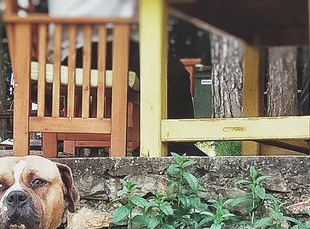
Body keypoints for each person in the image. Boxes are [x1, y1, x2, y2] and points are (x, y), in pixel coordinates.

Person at [46, 0, 200, 154]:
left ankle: (173, 143)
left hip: (75, 48)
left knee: (168, 71)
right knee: (173, 74)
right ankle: (179, 146)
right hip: (96, 42)